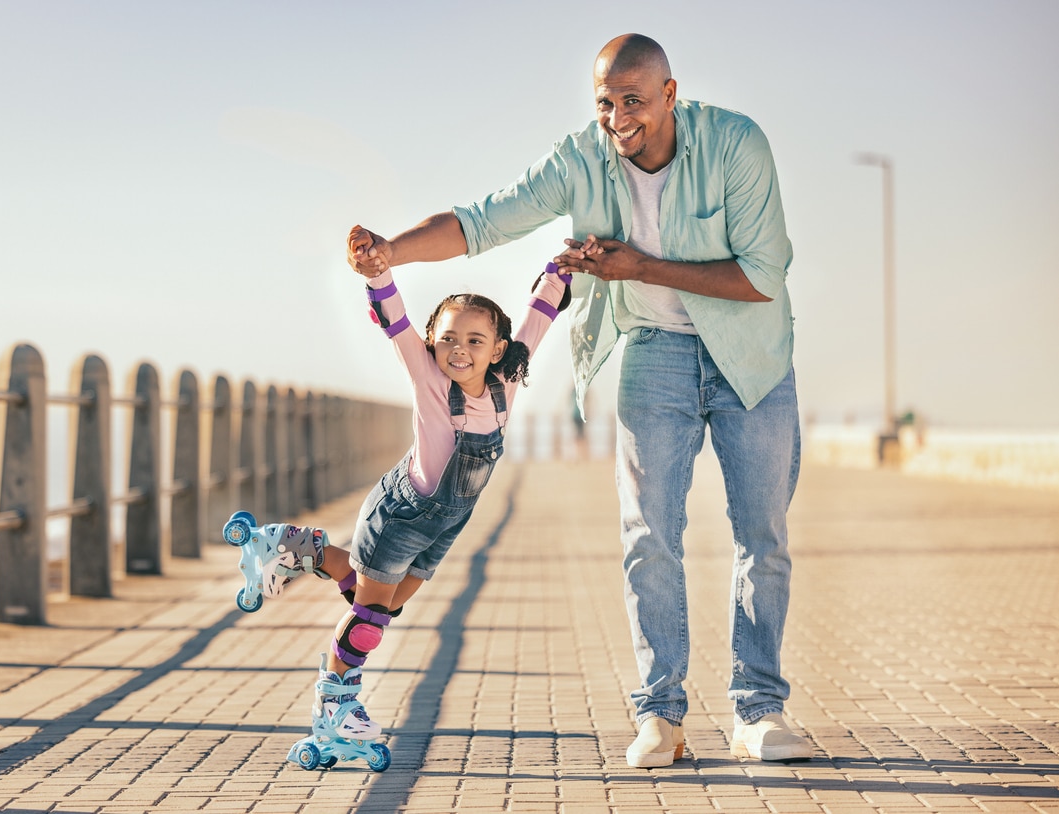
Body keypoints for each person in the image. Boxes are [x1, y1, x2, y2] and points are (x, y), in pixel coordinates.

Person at [345, 33, 812, 767]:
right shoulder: (580, 159)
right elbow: (482, 220)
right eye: (604, 101)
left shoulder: (734, 145)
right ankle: (660, 716)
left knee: (762, 536)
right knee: (647, 535)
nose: (617, 117)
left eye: (633, 100)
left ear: (669, 94)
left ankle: (760, 709)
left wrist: (637, 267)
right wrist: (389, 254)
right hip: (654, 352)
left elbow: (762, 276)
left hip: (751, 357)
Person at [249, 242, 571, 766]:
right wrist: (379, 273)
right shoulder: (427, 378)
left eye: (474, 339)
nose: (459, 349)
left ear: (498, 348)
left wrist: (561, 270)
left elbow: (541, 314)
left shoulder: (507, 380)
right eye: (447, 339)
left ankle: (295, 549)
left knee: (381, 602)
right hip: (401, 515)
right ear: (431, 343)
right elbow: (392, 320)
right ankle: (335, 706)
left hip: (447, 525)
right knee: (370, 618)